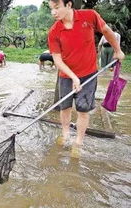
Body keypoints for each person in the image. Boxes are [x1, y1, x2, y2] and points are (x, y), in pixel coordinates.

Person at [48, 0, 124, 158]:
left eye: (57, 8)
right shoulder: (54, 31)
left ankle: (78, 143)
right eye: (51, 9)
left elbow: (106, 31)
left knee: (83, 109)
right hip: (66, 76)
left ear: (68, 5)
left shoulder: (89, 16)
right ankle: (66, 134)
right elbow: (57, 60)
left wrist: (117, 50)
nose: (53, 12)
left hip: (89, 73)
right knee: (65, 107)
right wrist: (73, 77)